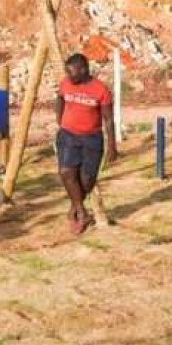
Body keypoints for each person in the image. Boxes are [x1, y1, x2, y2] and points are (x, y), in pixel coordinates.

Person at [54, 53, 117, 236]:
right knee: (66, 172)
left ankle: (75, 205)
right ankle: (82, 212)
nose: (68, 76)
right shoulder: (65, 83)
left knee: (86, 181)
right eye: (67, 72)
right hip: (68, 136)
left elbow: (108, 120)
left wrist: (112, 146)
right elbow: (59, 99)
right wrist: (60, 119)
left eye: (71, 72)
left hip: (91, 139)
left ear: (83, 70)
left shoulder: (101, 90)